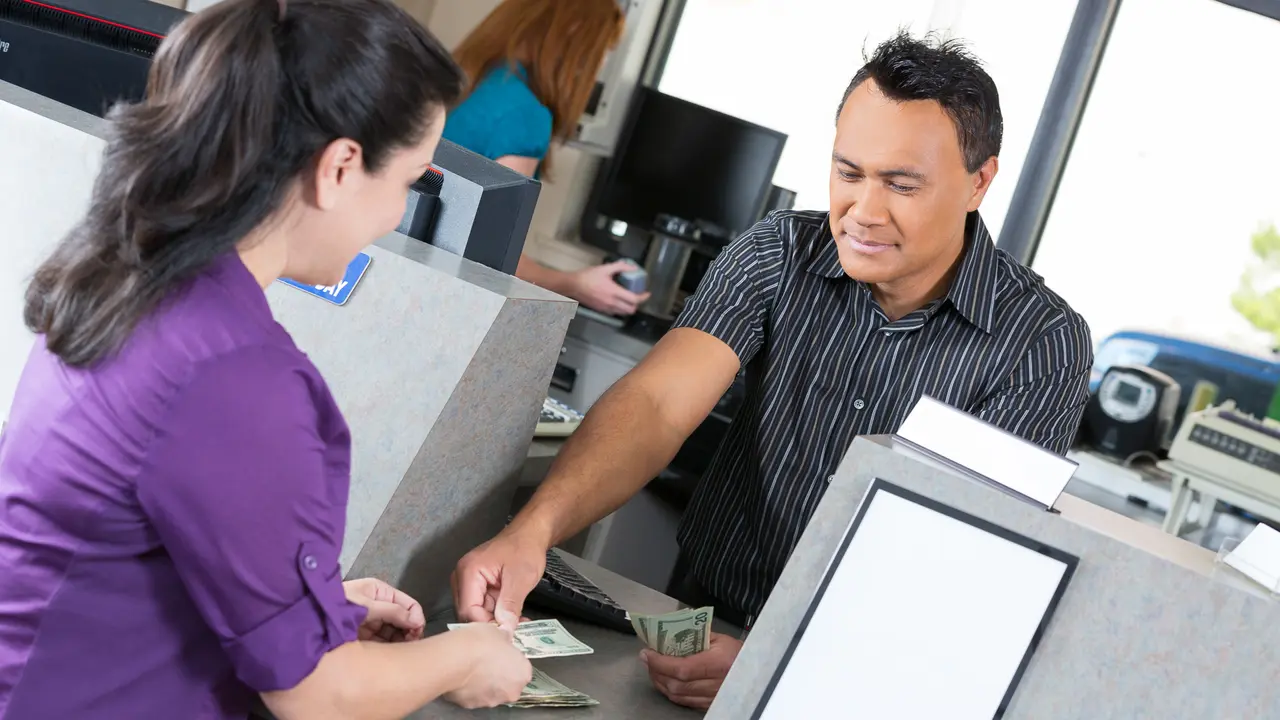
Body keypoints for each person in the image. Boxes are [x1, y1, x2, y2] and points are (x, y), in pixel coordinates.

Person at [452, 31, 1094, 710]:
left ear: (979, 182)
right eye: (849, 172)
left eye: (902, 185)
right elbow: (658, 405)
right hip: (704, 621)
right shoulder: (778, 251)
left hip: (855, 677)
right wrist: (534, 529)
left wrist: (793, 659)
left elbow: (960, 572)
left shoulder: (1041, 343)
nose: (865, 213)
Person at [0, 1, 531, 718]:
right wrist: (464, 658)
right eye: (407, 182)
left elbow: (129, 547)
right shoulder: (230, 374)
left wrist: (306, 611)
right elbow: (318, 700)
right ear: (340, 167)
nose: (395, 217)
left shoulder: (137, 273)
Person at [444, 0, 650, 317]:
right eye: (598, 53)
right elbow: (495, 256)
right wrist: (576, 284)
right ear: (572, 32)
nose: (594, 68)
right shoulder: (525, 115)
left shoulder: (466, 78)